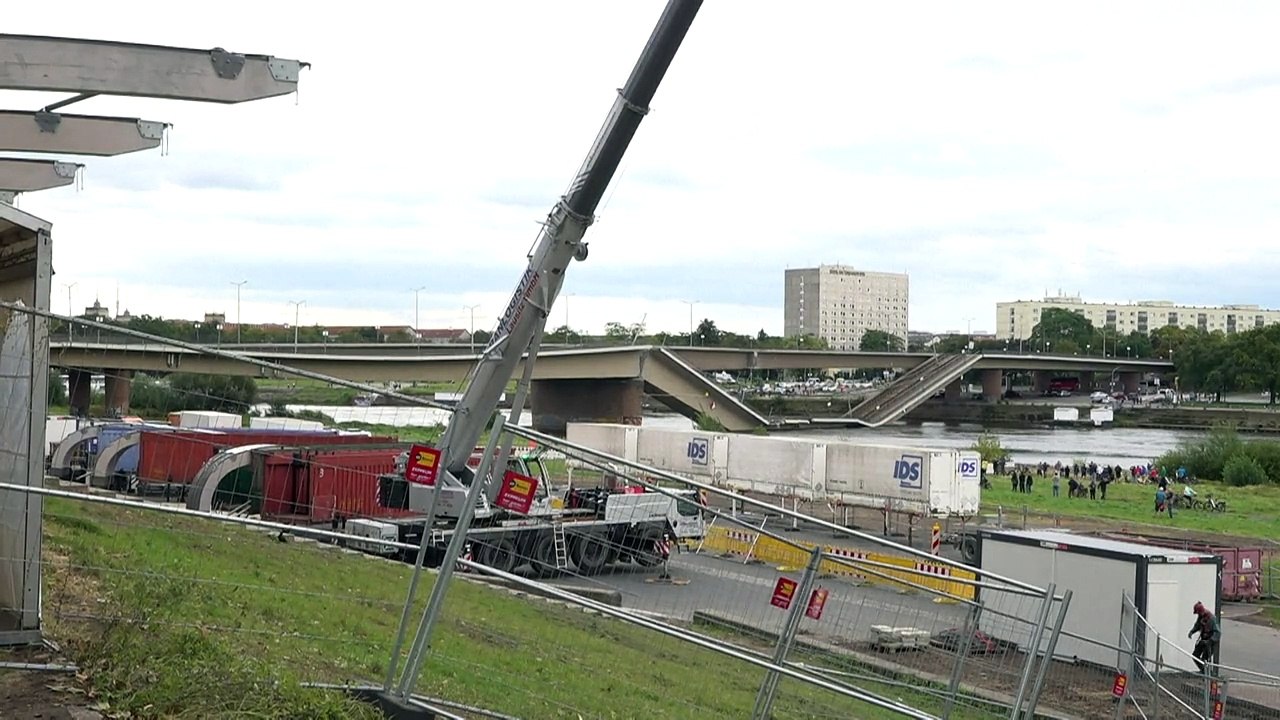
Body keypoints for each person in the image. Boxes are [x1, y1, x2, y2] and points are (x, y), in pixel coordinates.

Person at [1188, 601, 1221, 674]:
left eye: (1198, 613)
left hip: (1209, 642)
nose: (1198, 615)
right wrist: (1192, 632)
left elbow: (1218, 632)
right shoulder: (1200, 617)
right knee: (1195, 655)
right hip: (1203, 640)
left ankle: (1208, 674)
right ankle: (1203, 671)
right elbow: (1197, 625)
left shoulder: (1212, 618)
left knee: (1205, 659)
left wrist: (1210, 641)